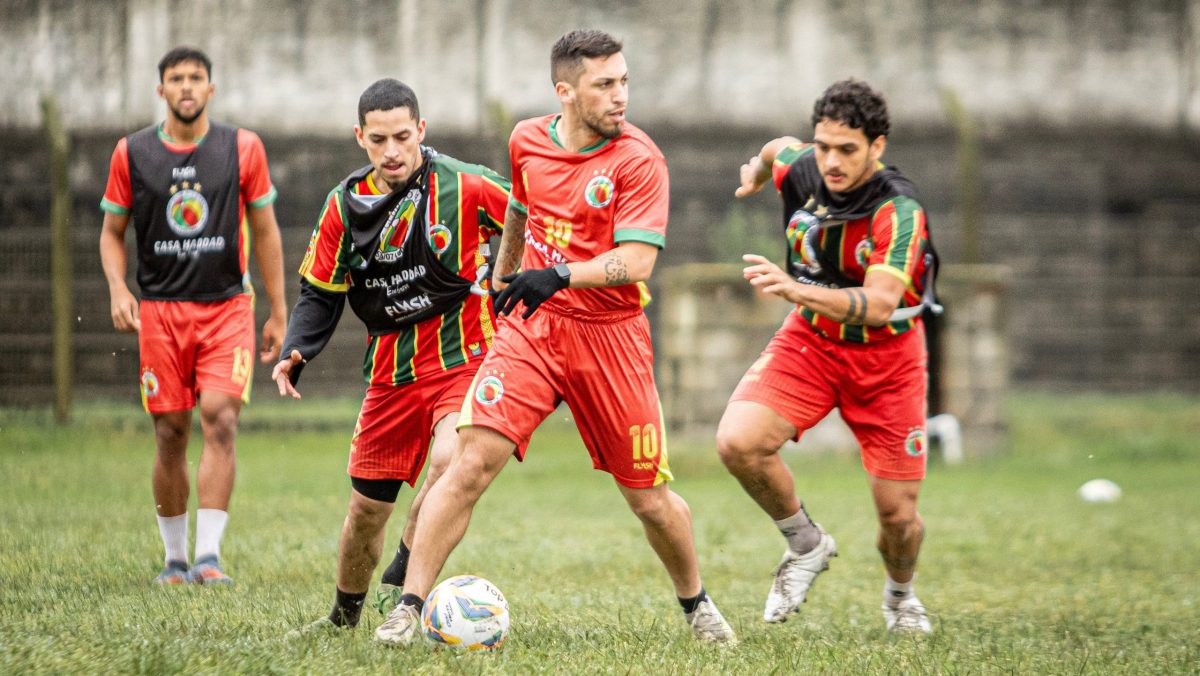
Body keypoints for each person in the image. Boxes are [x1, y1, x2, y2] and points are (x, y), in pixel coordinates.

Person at [373, 29, 737, 646]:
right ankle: (408, 608)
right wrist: (505, 272)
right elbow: (520, 204)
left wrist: (560, 274)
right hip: (533, 332)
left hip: (611, 338)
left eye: (624, 81)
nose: (621, 96)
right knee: (467, 465)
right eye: (605, 85)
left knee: (649, 499)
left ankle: (697, 603)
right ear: (565, 92)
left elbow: (639, 262)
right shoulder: (526, 139)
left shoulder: (639, 160)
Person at [273, 78, 511, 632]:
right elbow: (318, 292)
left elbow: (533, 215)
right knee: (364, 513)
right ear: (360, 137)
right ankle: (343, 618)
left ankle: (408, 576)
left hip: (467, 358)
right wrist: (296, 349)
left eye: (403, 136)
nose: (392, 151)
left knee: (453, 458)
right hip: (391, 373)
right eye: (378, 139)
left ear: (421, 131)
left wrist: (512, 276)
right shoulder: (343, 206)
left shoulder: (466, 184)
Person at [716, 79, 936, 633]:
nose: (831, 162)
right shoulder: (806, 164)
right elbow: (775, 149)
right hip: (811, 342)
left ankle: (900, 597)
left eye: (847, 150)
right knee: (738, 442)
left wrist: (795, 289)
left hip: (887, 360)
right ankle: (805, 544)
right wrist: (757, 171)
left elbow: (881, 304)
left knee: (898, 517)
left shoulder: (899, 211)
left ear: (877, 147)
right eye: (824, 147)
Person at [99, 46, 288, 585]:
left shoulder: (242, 148)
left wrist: (278, 309)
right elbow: (112, 234)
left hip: (228, 305)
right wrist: (118, 288)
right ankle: (175, 560)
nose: (186, 86)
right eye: (175, 78)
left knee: (222, 418)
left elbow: (268, 230)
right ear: (160, 90)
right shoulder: (130, 153)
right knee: (170, 432)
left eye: (196, 78)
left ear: (211, 88)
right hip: (160, 311)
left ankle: (208, 557)